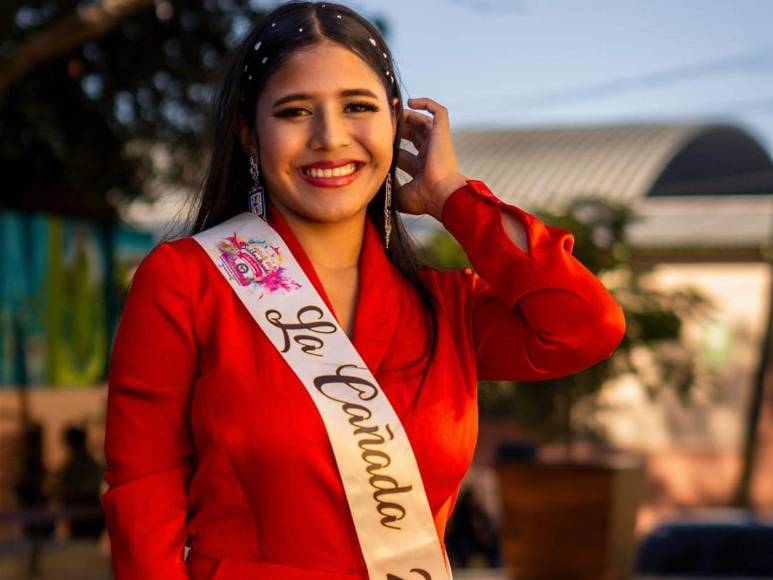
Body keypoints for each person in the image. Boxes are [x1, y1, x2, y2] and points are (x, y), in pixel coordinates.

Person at [101, 2, 626, 579]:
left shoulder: (446, 307)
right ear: (250, 133)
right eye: (295, 111)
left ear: (396, 122)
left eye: (358, 107)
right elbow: (143, 490)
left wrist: (452, 195)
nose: (330, 137)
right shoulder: (187, 280)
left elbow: (585, 327)